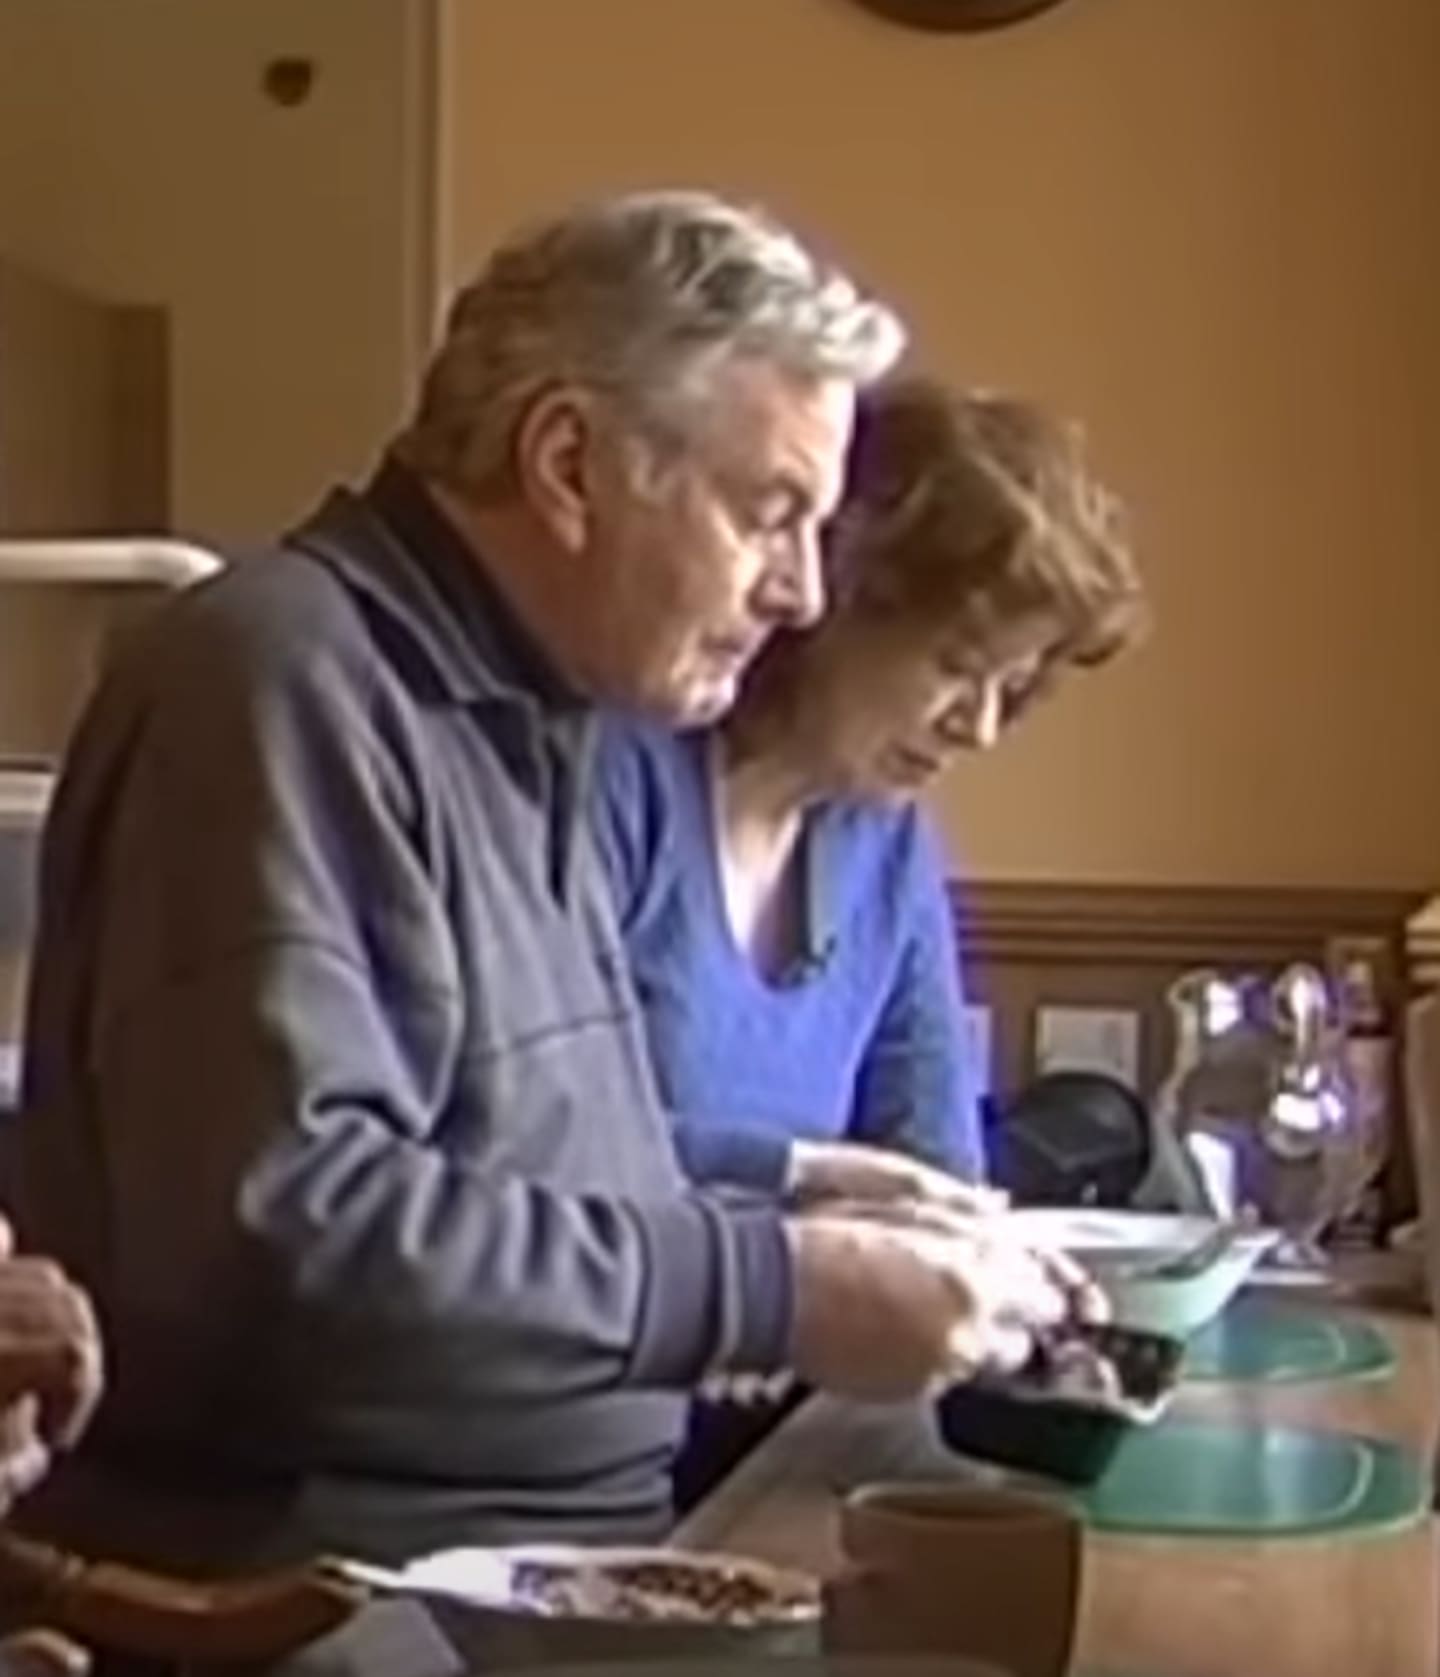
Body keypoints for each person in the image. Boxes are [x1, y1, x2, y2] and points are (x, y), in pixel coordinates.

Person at [14, 192, 1098, 1579]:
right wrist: (775, 1287)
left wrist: (798, 1200)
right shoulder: (276, 681)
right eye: (770, 514)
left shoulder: (546, 724)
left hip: (562, 1546)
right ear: (570, 462)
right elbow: (281, 1232)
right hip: (348, 1594)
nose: (804, 594)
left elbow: (513, 1171)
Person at [596, 378, 1145, 1202]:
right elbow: (549, 1141)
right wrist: (804, 1174)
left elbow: (937, 1171)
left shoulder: (887, 844)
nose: (981, 726)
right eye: (957, 667)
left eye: (1014, 686)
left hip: (807, 1326)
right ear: (837, 603)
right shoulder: (617, 777)